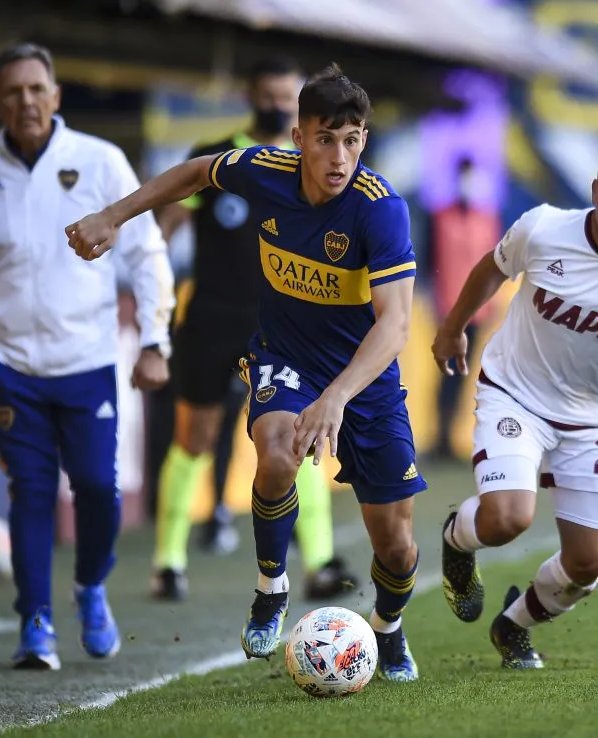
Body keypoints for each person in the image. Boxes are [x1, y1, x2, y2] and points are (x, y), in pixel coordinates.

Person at [67, 63, 426, 682]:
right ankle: (271, 588)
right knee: (277, 448)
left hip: (361, 379)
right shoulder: (265, 170)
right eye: (324, 139)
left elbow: (394, 326)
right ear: (298, 136)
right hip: (282, 356)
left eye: (352, 140)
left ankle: (389, 630)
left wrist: (338, 397)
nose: (339, 156)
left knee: (396, 545)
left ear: (363, 140)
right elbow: (193, 173)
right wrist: (112, 217)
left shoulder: (380, 210)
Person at [0, 43, 175, 671]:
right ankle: (34, 621)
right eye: (12, 92)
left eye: (37, 89)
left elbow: (145, 254)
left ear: (56, 96)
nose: (26, 101)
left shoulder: (100, 161)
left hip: (87, 360)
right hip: (10, 369)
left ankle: (90, 586)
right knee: (30, 493)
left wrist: (153, 340)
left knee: (97, 487)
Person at [432, 129, 598, 669]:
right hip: (516, 396)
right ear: (594, 186)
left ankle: (513, 626)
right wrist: (453, 325)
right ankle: (457, 541)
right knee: (508, 518)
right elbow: (491, 268)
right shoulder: (544, 228)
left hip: (591, 420)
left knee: (586, 566)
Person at [149, 57, 358, 602]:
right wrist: (152, 300)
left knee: (300, 435)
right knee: (193, 435)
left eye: (285, 96)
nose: (274, 103)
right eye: (266, 94)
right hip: (214, 319)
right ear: (251, 96)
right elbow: (162, 232)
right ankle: (169, 561)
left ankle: (319, 562)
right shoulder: (223, 159)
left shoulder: (318, 166)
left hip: (286, 328)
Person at [428, 156, 501, 460]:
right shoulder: (440, 217)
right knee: (444, 369)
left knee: (463, 370)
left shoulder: (487, 219)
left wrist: (493, 301)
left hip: (477, 310)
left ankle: (451, 435)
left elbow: (495, 263)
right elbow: (431, 260)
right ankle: (440, 434)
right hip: (447, 307)